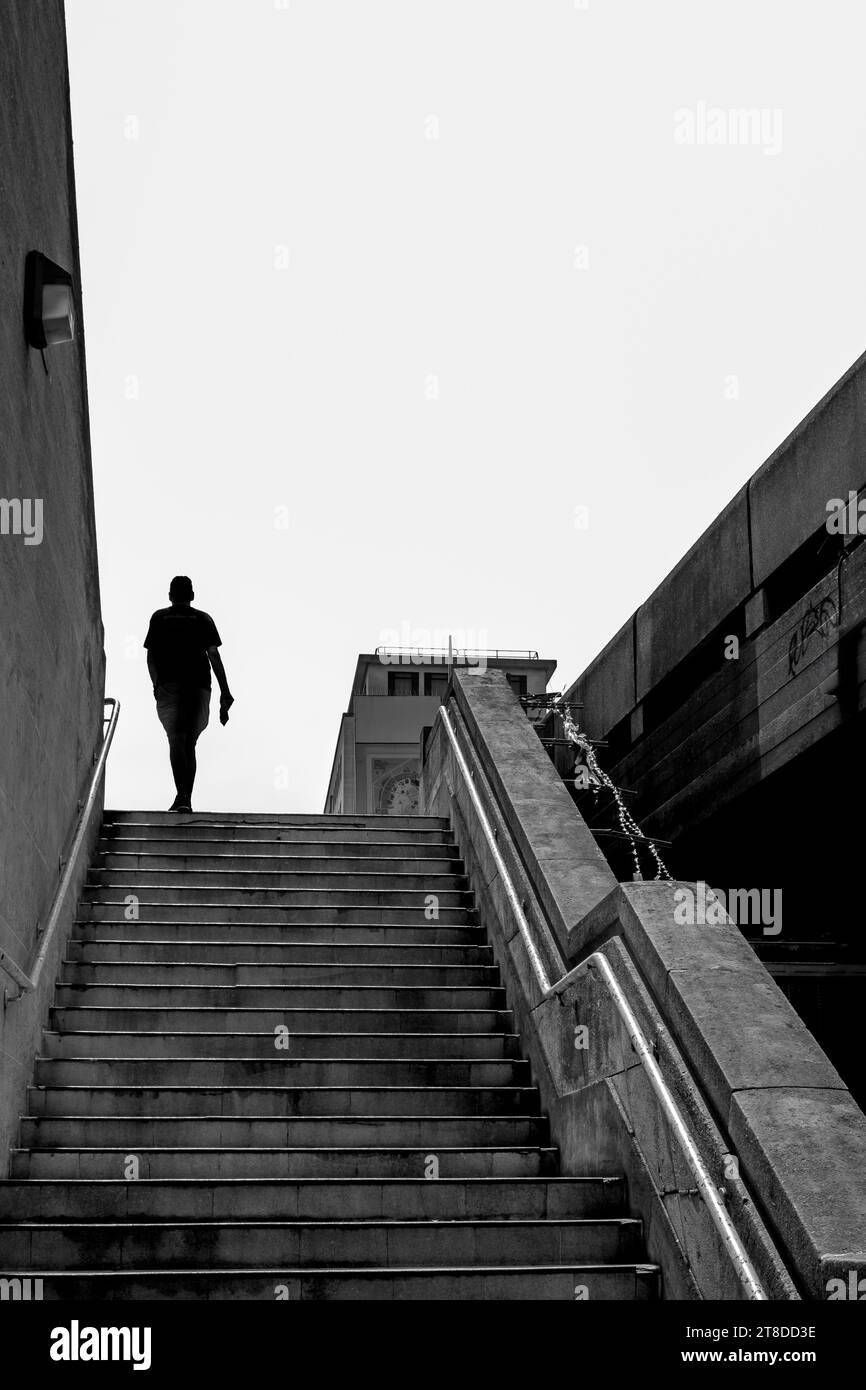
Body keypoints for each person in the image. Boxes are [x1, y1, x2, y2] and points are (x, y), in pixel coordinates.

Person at [144, 576, 234, 812]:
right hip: (198, 688)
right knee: (189, 743)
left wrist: (156, 685)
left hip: (170, 687)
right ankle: (185, 797)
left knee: (176, 739)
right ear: (192, 596)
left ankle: (183, 796)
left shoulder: (159, 617)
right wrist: (225, 692)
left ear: (170, 595)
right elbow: (213, 655)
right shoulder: (203, 619)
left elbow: (150, 656)